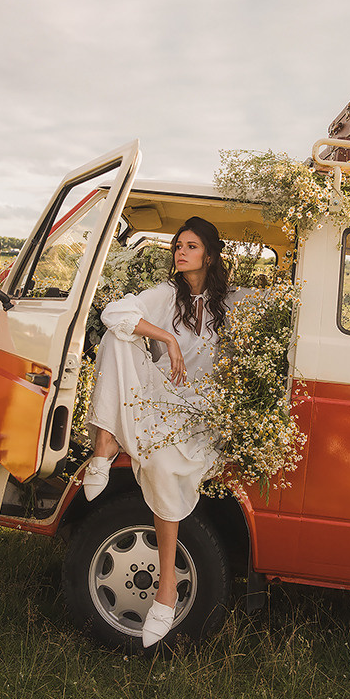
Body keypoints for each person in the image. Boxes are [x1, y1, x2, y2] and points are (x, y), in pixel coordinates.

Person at [83, 216, 236, 647]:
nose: (180, 252)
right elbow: (114, 311)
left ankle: (166, 587)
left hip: (203, 409)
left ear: (209, 253)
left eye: (190, 245)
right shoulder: (167, 294)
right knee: (120, 336)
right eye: (177, 246)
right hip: (160, 395)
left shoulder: (232, 300)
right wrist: (166, 338)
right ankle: (105, 443)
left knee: (166, 466)